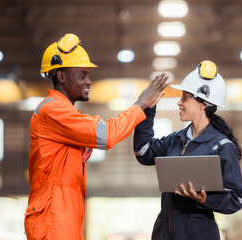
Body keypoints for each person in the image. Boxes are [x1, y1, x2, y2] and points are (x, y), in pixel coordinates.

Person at [24, 33, 169, 240]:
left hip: (63, 217)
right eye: (82, 75)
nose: (89, 81)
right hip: (53, 220)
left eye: (88, 75)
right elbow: (106, 135)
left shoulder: (66, 115)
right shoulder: (53, 110)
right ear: (61, 76)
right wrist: (140, 104)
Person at [133, 60, 242, 240]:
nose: (179, 102)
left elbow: (236, 199)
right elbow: (143, 152)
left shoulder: (223, 147)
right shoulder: (175, 140)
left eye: (185, 97)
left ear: (203, 104)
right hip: (165, 232)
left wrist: (205, 200)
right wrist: (147, 109)